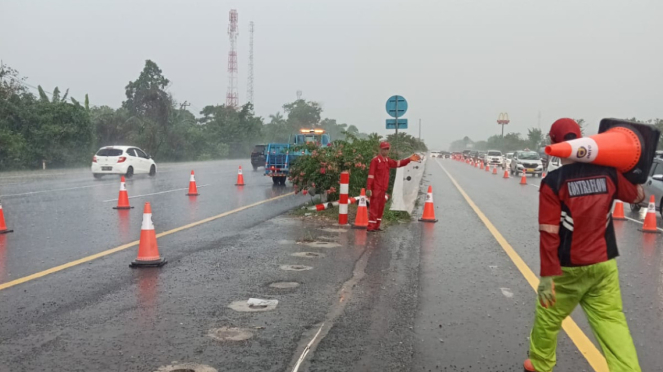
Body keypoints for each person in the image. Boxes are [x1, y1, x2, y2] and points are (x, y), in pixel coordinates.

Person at [524, 118, 645, 372]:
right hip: (604, 267)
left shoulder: (553, 182)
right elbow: (636, 196)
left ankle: (540, 363)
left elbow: (549, 232)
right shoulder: (608, 172)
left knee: (548, 315)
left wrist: (547, 276)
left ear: (553, 142)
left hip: (567, 270)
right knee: (612, 322)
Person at [365, 141, 420, 232]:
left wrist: (409, 159)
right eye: (384, 149)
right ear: (380, 149)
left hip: (383, 188)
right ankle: (371, 226)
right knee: (374, 208)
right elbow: (371, 175)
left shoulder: (387, 161)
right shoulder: (375, 161)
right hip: (376, 188)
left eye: (387, 149)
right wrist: (369, 188)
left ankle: (377, 226)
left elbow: (398, 164)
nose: (386, 151)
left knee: (380, 208)